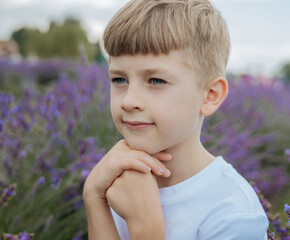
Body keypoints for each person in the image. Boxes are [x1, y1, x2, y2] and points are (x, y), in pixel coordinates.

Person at [83, 0, 269, 239]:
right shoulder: (119, 179)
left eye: (156, 81)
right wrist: (94, 197)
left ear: (210, 96)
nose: (128, 101)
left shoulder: (232, 214)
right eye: (119, 79)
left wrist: (145, 225)